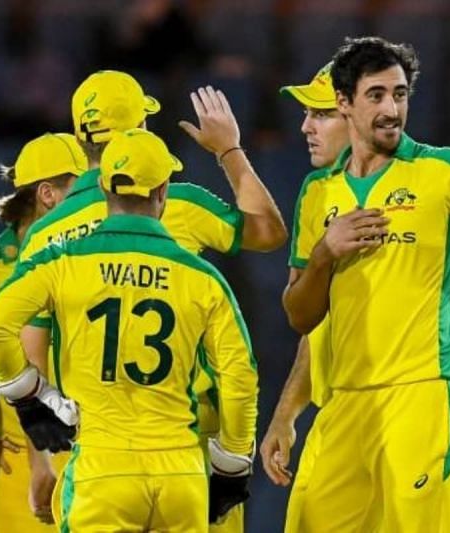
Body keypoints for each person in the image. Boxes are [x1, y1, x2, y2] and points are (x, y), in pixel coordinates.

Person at [282, 37, 450, 532]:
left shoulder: (444, 171)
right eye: (376, 96)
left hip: (422, 397)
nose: (392, 109)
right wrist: (325, 253)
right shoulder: (316, 192)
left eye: (400, 94)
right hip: (343, 402)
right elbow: (300, 316)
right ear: (344, 102)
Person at [16, 70, 286, 531]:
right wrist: (229, 151)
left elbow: (30, 344)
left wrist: (41, 455)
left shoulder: (45, 234)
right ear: (141, 129)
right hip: (186, 445)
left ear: (82, 142)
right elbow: (269, 231)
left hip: (96, 449)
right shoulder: (178, 203)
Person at [0, 129, 258, 532]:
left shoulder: (63, 263)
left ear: (104, 185)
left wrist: (31, 396)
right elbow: (240, 377)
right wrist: (232, 468)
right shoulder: (203, 279)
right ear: (163, 191)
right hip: (179, 471)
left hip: (102, 470)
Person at [261, 62, 450, 504]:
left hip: (409, 411)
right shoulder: (317, 194)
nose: (306, 127)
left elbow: (412, 316)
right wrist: (286, 413)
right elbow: (316, 326)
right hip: (342, 413)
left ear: (349, 111)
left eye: (321, 114)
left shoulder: (430, 177)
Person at [0, 133, 87, 531]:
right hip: (15, 471)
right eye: (80, 189)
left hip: (94, 467)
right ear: (48, 195)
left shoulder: (92, 260)